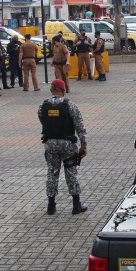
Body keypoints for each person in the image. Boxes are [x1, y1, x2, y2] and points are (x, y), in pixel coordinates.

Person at [38, 78, 88, 215]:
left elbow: (43, 121)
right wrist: (83, 145)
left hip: (50, 145)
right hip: (68, 145)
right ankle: (76, 204)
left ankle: (51, 205)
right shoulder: (70, 105)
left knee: (52, 173)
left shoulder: (43, 106)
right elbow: (80, 127)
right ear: (63, 90)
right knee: (71, 173)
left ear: (51, 90)